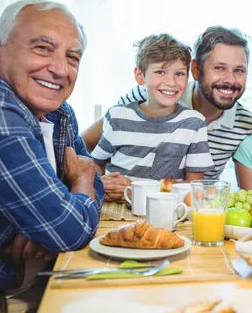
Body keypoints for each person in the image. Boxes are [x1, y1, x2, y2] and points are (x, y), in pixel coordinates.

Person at [0, 0, 105, 313]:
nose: (58, 69)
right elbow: (66, 228)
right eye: (42, 48)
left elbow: (89, 175)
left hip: (32, 280)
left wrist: (65, 205)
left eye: (72, 57)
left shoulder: (58, 110)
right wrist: (79, 185)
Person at [82, 26, 252, 195]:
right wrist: (99, 183)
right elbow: (85, 143)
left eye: (239, 70)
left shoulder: (247, 125)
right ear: (196, 70)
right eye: (219, 68)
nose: (230, 79)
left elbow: (241, 189)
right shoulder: (144, 95)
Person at [91, 34, 214, 201]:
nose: (171, 82)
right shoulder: (117, 117)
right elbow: (96, 163)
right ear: (140, 76)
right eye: (160, 72)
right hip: (114, 207)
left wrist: (136, 191)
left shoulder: (194, 123)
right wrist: (101, 184)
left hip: (166, 209)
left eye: (179, 73)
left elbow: (194, 186)